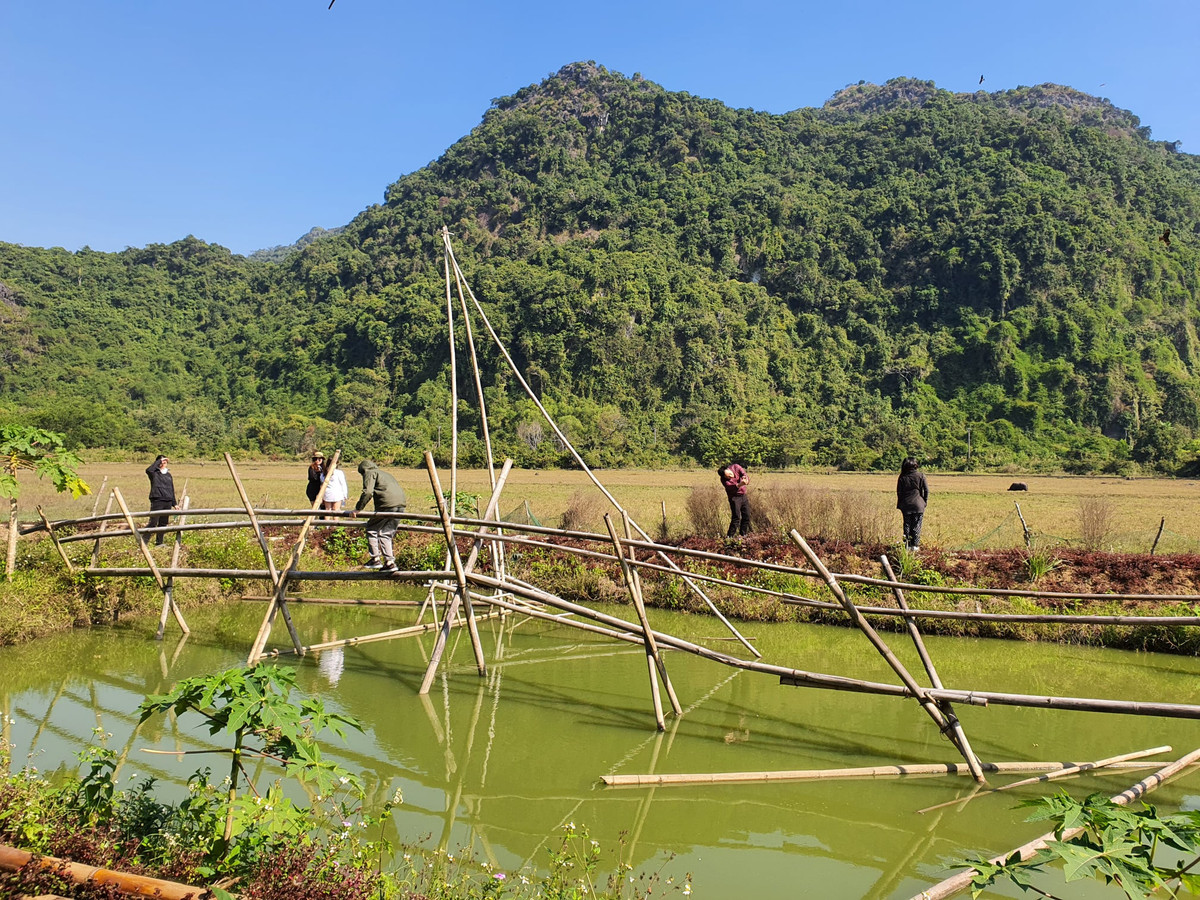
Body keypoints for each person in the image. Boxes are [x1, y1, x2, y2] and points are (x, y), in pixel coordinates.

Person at [350, 460, 407, 573]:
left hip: (387, 505)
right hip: (400, 505)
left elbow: (368, 492)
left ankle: (375, 559)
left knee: (372, 529)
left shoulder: (370, 473)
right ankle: (390, 563)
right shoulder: (384, 474)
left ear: (363, 470)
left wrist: (358, 508)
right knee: (386, 533)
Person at [896, 457, 929, 551]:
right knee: (916, 525)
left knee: (907, 525)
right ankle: (915, 546)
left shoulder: (902, 477)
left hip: (906, 504)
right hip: (918, 504)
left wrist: (901, 503)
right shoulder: (921, 475)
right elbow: (926, 490)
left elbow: (899, 492)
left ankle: (907, 545)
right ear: (915, 465)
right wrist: (924, 502)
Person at [145, 454, 178, 546]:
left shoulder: (168, 475)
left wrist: (174, 504)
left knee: (163, 523)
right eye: (162, 461)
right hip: (157, 500)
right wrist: (159, 460)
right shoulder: (154, 473)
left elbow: (171, 489)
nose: (164, 463)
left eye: (165, 461)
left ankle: (159, 542)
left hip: (167, 501)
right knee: (153, 522)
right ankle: (144, 542)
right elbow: (148, 470)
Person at [719, 463, 751, 538]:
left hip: (743, 495)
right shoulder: (724, 480)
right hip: (734, 498)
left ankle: (743, 535)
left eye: (730, 474)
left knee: (747, 516)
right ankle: (729, 537)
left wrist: (745, 479)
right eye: (728, 476)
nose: (731, 476)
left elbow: (743, 473)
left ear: (729, 469)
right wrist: (741, 484)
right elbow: (732, 487)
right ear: (724, 477)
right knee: (736, 518)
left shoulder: (736, 467)